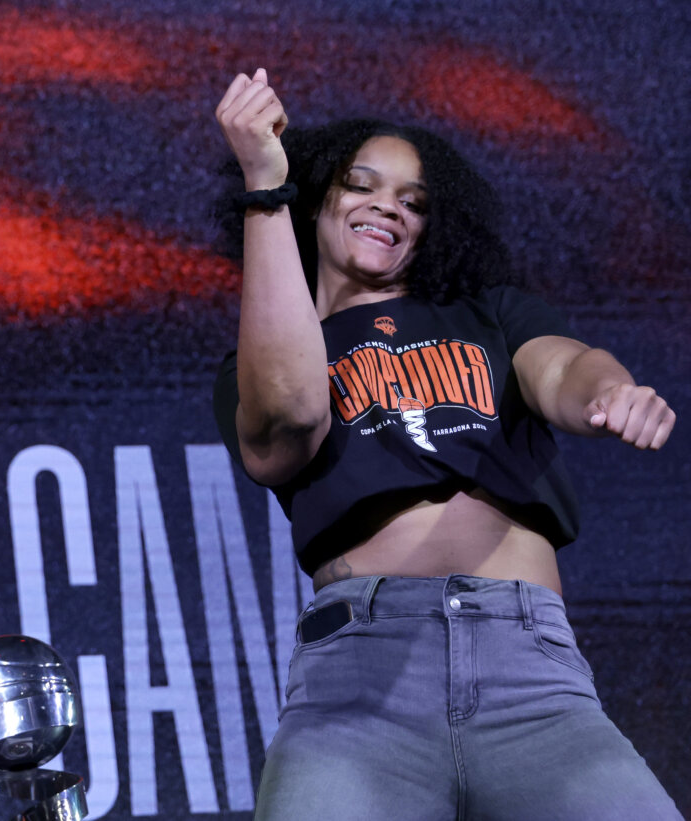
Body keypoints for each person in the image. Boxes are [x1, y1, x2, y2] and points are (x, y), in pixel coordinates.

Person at [212, 69, 680, 820]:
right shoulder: (266, 356)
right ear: (316, 199)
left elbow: (561, 364)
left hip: (530, 671)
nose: (386, 209)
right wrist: (267, 190)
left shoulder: (485, 315)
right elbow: (293, 416)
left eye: (412, 203)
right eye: (359, 185)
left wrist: (606, 393)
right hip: (358, 684)